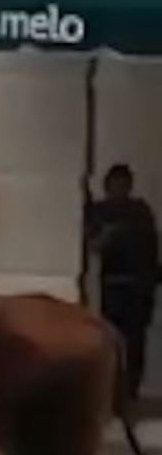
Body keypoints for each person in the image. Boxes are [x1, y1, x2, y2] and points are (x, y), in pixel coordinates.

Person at [88, 163, 159, 401]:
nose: (121, 189)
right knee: (112, 341)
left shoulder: (140, 210)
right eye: (117, 184)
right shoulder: (99, 211)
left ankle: (130, 392)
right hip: (114, 284)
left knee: (136, 342)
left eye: (124, 184)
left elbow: (151, 248)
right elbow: (93, 246)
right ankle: (113, 392)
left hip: (139, 285)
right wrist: (109, 234)